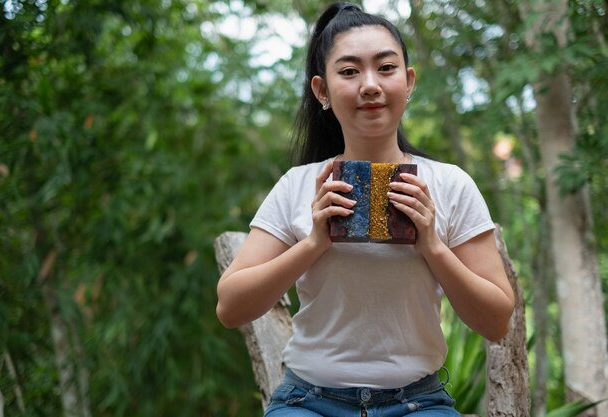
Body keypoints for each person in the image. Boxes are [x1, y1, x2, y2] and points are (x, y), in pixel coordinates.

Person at [216, 3, 515, 416]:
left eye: (386, 68)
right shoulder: (299, 186)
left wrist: (432, 245)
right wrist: (314, 243)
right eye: (350, 71)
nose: (370, 85)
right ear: (322, 90)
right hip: (308, 403)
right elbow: (230, 308)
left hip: (418, 403)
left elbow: (497, 321)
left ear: (409, 81)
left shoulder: (449, 184)